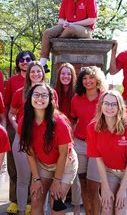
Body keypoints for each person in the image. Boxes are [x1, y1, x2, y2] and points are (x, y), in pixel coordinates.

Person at [19, 83, 78, 215]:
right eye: (36, 94)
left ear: (50, 100)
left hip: (65, 164)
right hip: (44, 164)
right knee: (35, 199)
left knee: (55, 202)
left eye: (44, 95)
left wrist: (57, 181)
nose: (40, 98)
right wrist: (36, 179)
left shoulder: (60, 123)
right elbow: (29, 152)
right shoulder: (24, 122)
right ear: (30, 98)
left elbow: (63, 154)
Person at [8, 61, 58, 215]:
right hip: (24, 139)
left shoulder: (51, 93)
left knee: (42, 179)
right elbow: (11, 113)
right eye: (33, 72)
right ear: (28, 74)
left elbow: (55, 116)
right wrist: (18, 129)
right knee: (23, 179)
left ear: (43, 74)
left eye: (39, 71)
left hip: (44, 140)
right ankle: (22, 210)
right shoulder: (19, 93)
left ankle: (42, 210)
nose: (36, 74)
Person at [87, 91, 127, 215]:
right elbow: (98, 159)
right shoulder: (93, 128)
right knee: (106, 207)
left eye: (114, 104)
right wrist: (105, 188)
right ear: (100, 105)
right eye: (106, 103)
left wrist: (122, 189)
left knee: (120, 208)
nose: (110, 107)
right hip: (109, 171)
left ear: (120, 107)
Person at [39, 0, 98, 72]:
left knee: (71, 29)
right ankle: (43, 63)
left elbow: (92, 19)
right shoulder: (66, 0)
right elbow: (60, 20)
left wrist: (74, 23)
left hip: (85, 28)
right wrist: (64, 23)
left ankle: (58, 47)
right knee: (47, 33)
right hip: (68, 26)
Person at [70, 66, 106, 215]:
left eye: (91, 77)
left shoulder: (105, 97)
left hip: (98, 146)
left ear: (97, 80)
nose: (88, 81)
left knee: (93, 186)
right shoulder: (77, 98)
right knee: (83, 184)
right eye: (84, 78)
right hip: (80, 144)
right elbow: (73, 120)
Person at [4, 50, 36, 214]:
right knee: (14, 167)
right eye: (22, 59)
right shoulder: (12, 82)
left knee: (32, 169)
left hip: (34, 132)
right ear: (17, 63)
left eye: (28, 59)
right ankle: (15, 200)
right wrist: (9, 128)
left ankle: (29, 200)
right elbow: (8, 107)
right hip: (14, 130)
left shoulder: (38, 83)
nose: (25, 61)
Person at [54, 63, 82, 214]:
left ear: (73, 77)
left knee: (74, 175)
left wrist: (72, 136)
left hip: (73, 138)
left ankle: (77, 206)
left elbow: (77, 119)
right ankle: (56, 203)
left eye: (69, 74)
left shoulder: (76, 95)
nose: (66, 76)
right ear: (59, 76)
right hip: (57, 139)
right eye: (63, 74)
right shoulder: (54, 93)